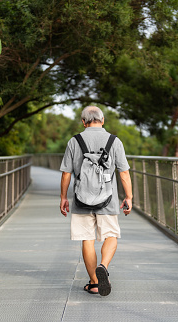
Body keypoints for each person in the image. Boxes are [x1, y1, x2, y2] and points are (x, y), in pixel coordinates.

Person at [60, 106, 133, 296]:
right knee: (111, 235)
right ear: (103, 120)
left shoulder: (74, 141)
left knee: (87, 239)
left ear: (83, 122)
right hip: (107, 199)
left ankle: (93, 283)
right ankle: (104, 266)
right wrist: (128, 197)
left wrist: (63, 197)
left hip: (81, 198)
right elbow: (124, 173)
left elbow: (66, 173)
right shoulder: (114, 141)